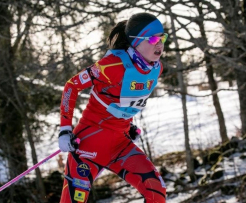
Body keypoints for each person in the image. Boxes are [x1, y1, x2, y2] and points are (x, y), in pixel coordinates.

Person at [58, 12, 167, 203]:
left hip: (120, 144)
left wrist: (128, 124)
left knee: (156, 191)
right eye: (153, 38)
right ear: (136, 42)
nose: (159, 43)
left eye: (162, 37)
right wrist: (65, 129)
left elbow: (125, 99)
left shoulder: (156, 69)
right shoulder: (112, 66)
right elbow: (72, 86)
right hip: (88, 144)